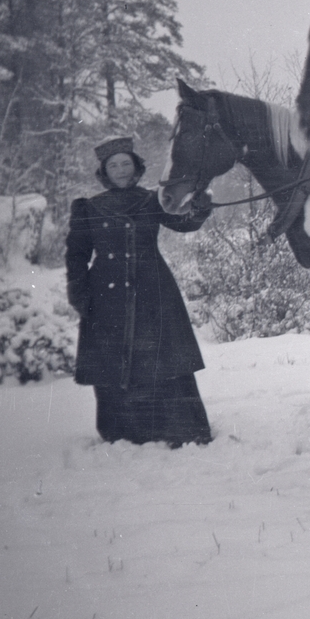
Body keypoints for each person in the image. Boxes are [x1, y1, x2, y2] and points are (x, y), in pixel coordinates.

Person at [66, 136, 214, 447]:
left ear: (136, 167)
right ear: (104, 172)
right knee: (115, 362)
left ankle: (180, 429)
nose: (121, 170)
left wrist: (199, 208)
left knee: (164, 357)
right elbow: (76, 254)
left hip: (154, 291)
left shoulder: (152, 200)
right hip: (106, 297)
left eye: (126, 164)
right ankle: (126, 434)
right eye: (113, 165)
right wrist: (79, 294)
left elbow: (183, 223)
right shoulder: (89, 208)